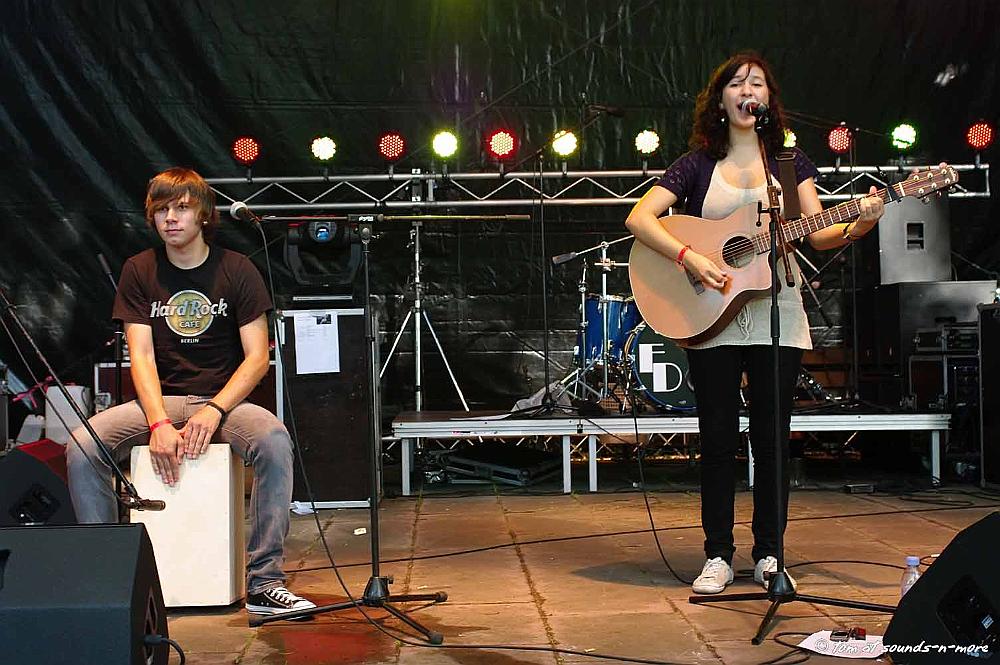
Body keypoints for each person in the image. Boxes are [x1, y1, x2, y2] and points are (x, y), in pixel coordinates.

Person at [625, 52, 885, 595]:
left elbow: (818, 233)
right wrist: (689, 258)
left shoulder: (789, 163)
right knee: (718, 437)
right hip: (712, 314)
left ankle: (770, 553)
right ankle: (718, 554)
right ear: (720, 99)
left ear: (769, 99)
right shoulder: (697, 164)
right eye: (738, 84)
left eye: (758, 84)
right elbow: (639, 217)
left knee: (772, 440)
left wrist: (860, 223)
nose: (749, 91)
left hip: (778, 310)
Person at [67, 167, 316, 616]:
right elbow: (141, 357)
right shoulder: (139, 270)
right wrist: (159, 421)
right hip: (158, 402)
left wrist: (215, 409)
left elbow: (257, 358)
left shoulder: (236, 269)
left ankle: (265, 582)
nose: (170, 218)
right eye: (161, 209)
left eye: (181, 208)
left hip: (222, 402)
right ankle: (107, 580)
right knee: (83, 447)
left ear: (203, 214)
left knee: (273, 440)